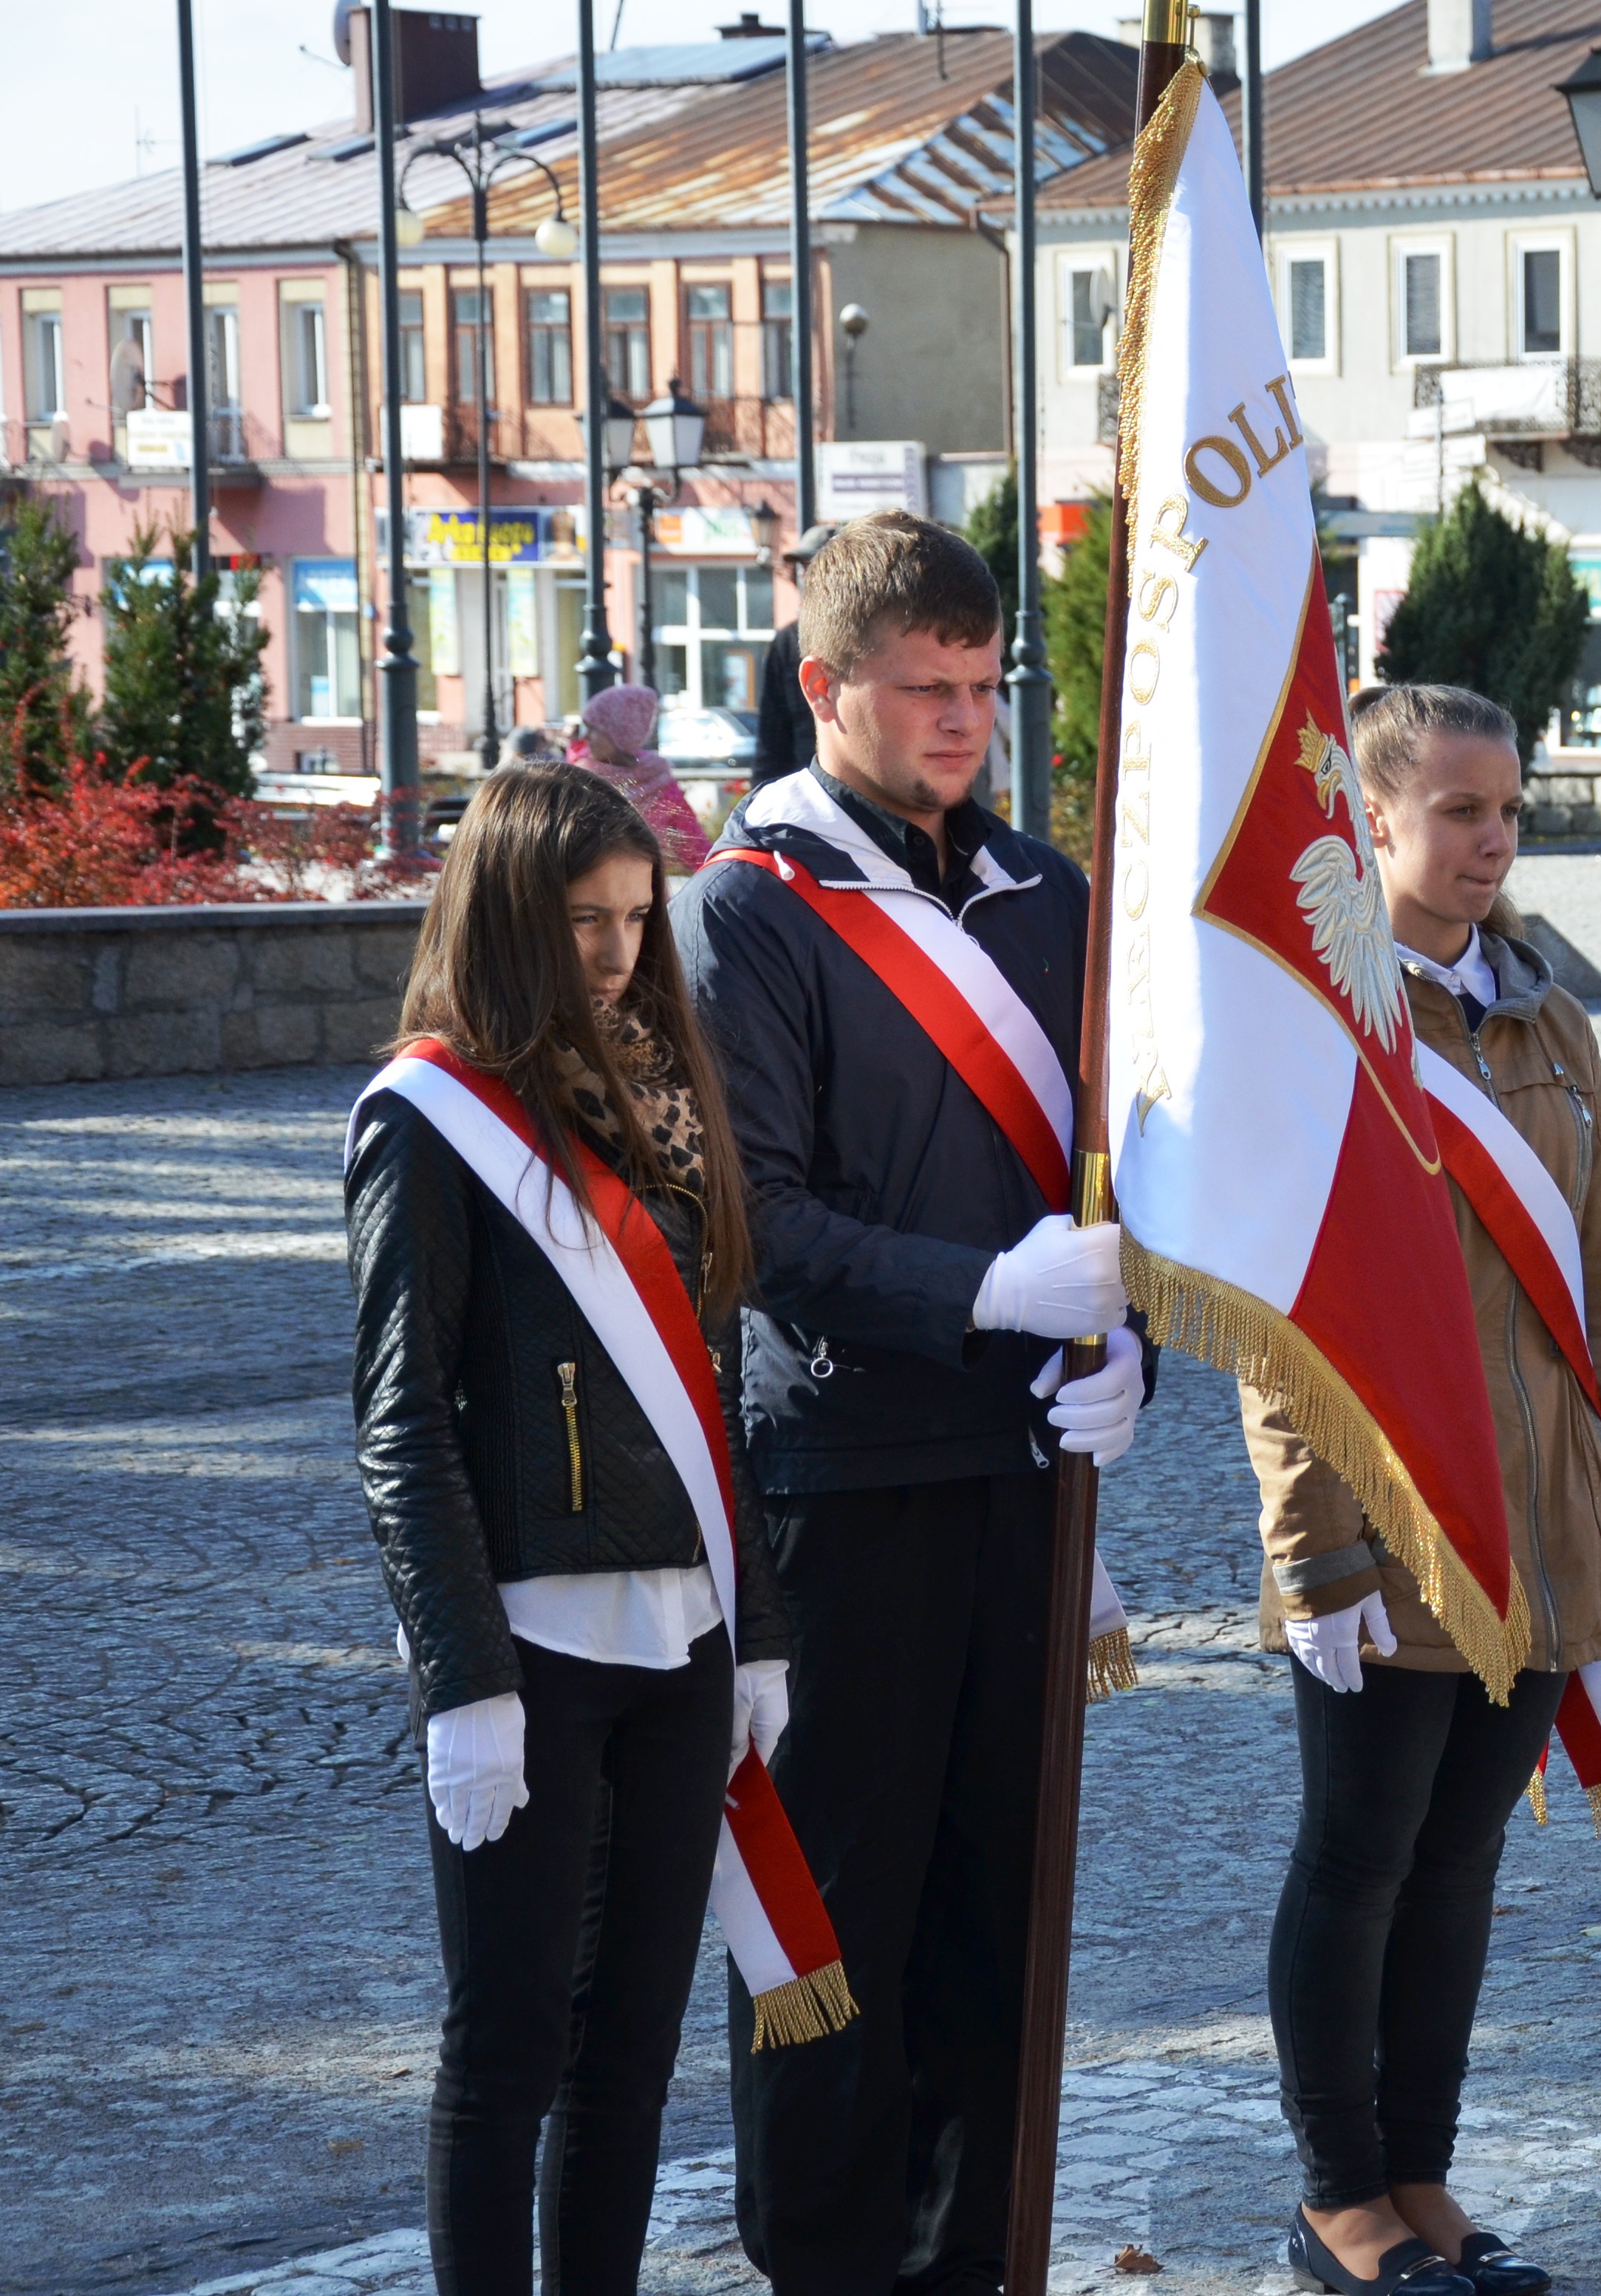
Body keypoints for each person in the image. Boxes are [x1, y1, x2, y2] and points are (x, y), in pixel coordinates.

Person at [675, 509, 1144, 2296]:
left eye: (982, 683)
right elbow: (758, 1225)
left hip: (1022, 1472)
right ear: (824, 688)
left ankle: (971, 2270)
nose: (961, 719)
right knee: (828, 1929)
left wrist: (1128, 1344)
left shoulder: (1050, 897)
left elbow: (1119, 1182)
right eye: (922, 687)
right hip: (843, 1480)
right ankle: (823, 2269)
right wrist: (985, 1294)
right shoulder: (748, 913)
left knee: (995, 1917)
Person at [1253, 684, 1601, 2296]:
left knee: (1458, 1865)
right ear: (1371, 821)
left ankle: (1421, 2177)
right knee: (1357, 1859)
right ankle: (1336, 2199)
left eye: (1508, 809)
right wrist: (1314, 1550)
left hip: (1545, 1518)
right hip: (1395, 1515)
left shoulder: (1547, 1020)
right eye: (1457, 810)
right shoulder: (1323, 1024)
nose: (1493, 838)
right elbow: (1283, 1310)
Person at [344, 761, 793, 2296]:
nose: (615, 953)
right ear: (508, 919)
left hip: (683, 1637)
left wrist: (757, 1630)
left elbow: (713, 1386)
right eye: (582, 921)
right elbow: (402, 1419)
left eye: (635, 918)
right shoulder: (429, 1115)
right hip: (529, 1647)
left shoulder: (665, 1095)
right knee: (509, 2043)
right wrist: (463, 1681)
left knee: (632, 2052)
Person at [569, 683, 715, 873]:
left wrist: (719, 875)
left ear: (620, 733)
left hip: (645, 887)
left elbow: (694, 845)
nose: (585, 736)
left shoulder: (659, 779)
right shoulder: (578, 779)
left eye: (593, 729)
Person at [751, 522, 844, 788]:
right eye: (804, 568)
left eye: (818, 568)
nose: (808, 577)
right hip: (804, 789)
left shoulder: (875, 636)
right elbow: (772, 736)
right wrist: (762, 797)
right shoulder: (787, 642)